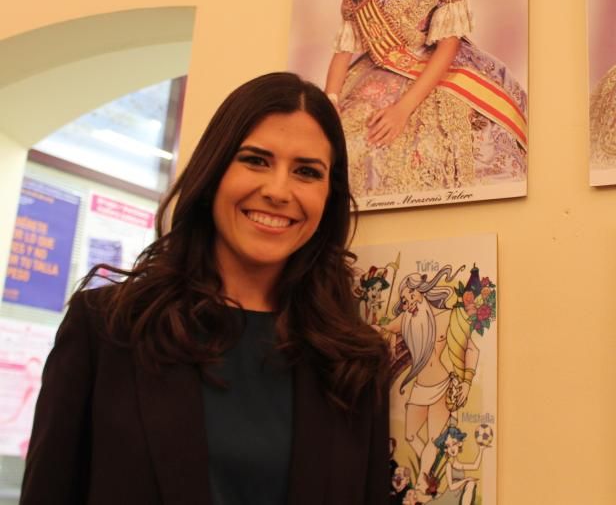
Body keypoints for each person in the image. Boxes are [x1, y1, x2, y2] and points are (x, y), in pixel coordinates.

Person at [20, 72, 390, 505]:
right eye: (255, 160)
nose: (277, 190)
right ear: (214, 171)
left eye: (306, 172)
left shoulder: (353, 363)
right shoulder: (106, 329)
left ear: (329, 196)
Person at [324, 0, 528, 201]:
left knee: (438, 148)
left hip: (440, 74)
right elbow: (343, 51)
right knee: (349, 141)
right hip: (375, 74)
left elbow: (447, 47)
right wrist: (330, 103)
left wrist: (403, 109)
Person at [376, 269, 479, 496]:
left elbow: (472, 349)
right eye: (402, 300)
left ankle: (422, 485)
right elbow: (382, 328)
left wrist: (467, 382)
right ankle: (428, 475)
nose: (406, 304)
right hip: (420, 388)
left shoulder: (446, 317)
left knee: (433, 439)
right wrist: (390, 336)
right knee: (411, 435)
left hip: (442, 385)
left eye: (408, 297)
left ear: (420, 292)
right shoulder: (406, 320)